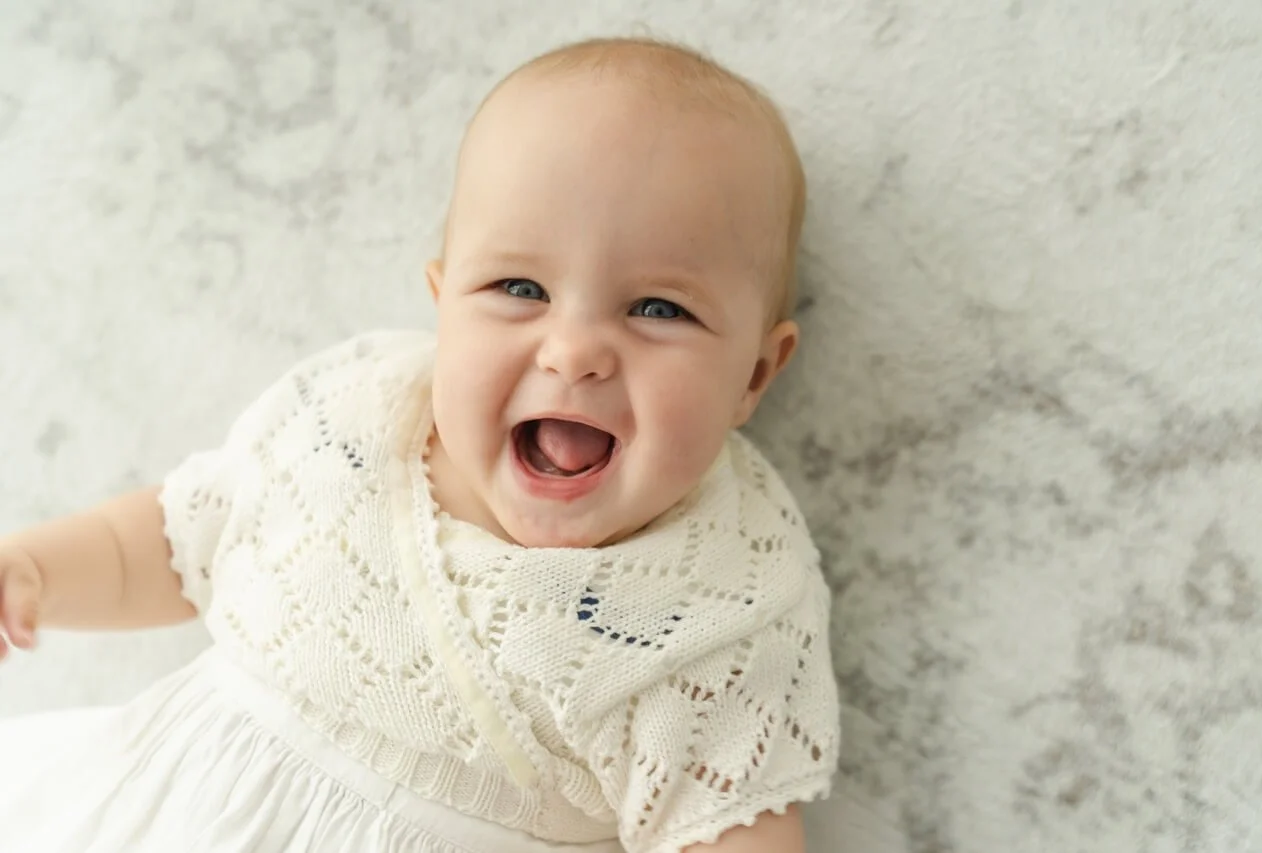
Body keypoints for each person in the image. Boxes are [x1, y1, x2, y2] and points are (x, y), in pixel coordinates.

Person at [0, 36, 839, 853]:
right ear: (443, 303)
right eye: (519, 288)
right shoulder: (354, 422)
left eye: (659, 308)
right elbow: (178, 538)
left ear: (755, 374)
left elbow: (733, 826)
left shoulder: (727, 609)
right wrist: (36, 570)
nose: (574, 351)